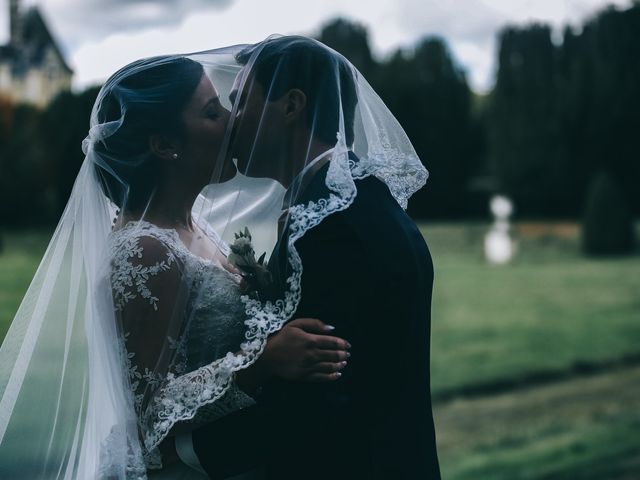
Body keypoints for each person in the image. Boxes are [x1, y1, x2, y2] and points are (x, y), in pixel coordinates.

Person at [0, 53, 350, 479]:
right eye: (211, 112)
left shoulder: (194, 226)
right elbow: (148, 412)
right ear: (165, 146)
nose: (232, 121)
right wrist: (262, 363)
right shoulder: (145, 251)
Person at [191, 36, 441, 479]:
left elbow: (319, 402)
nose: (231, 122)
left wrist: (185, 452)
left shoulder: (334, 228)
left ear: (291, 106)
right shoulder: (354, 202)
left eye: (242, 102)